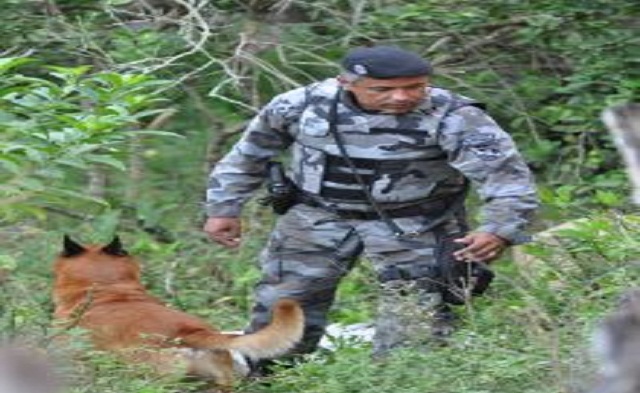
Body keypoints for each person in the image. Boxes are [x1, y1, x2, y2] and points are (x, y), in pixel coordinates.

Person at [203, 45, 538, 361]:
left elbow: (505, 175)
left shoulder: (455, 115)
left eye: (415, 87)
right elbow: (248, 156)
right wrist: (223, 208)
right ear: (346, 83)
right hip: (316, 216)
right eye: (383, 89)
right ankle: (267, 381)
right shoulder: (301, 105)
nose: (402, 97)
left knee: (416, 316)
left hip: (416, 223)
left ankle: (404, 389)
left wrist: (498, 229)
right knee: (283, 303)